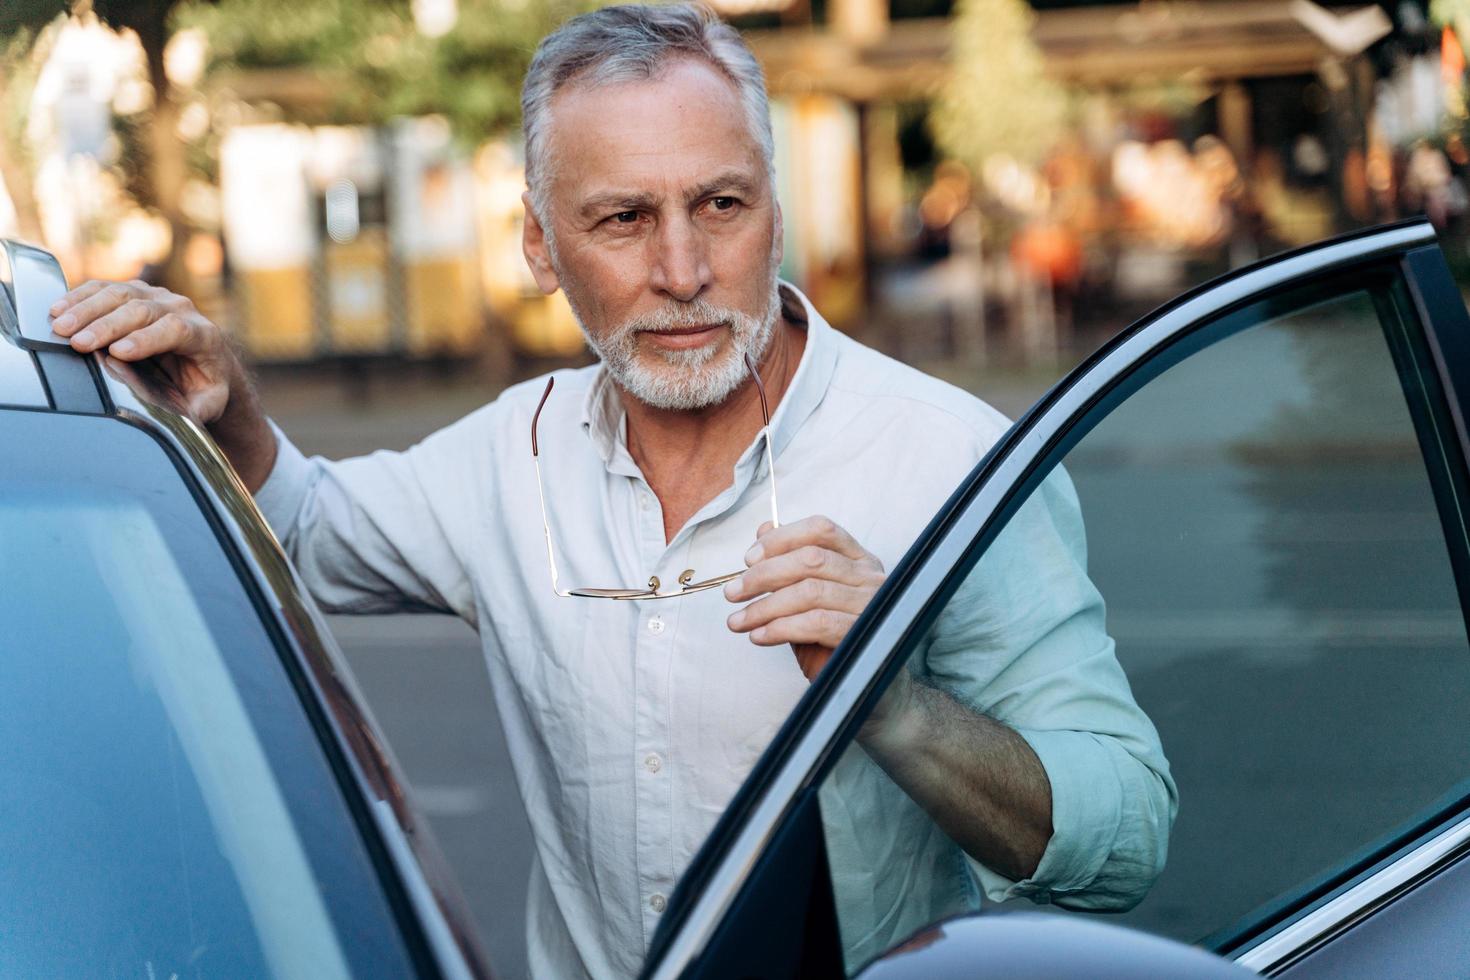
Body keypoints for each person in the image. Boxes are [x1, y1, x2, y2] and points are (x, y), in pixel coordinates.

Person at [46, 5, 1174, 977]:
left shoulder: (950, 457)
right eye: (623, 219)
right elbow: (303, 531)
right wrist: (231, 405)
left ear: (775, 207)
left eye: (721, 206)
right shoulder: (514, 450)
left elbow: (1126, 831)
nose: (683, 271)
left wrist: (892, 704)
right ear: (541, 245)